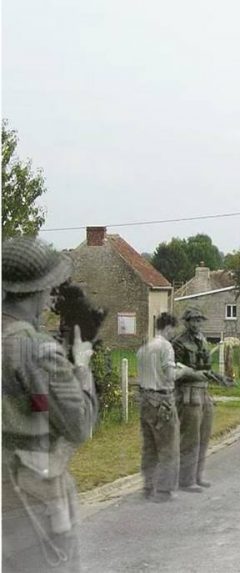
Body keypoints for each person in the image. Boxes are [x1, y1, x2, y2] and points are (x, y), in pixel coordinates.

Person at [2, 236, 97, 572]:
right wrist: (82, 364)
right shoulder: (35, 347)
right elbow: (79, 424)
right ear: (42, 290)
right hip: (32, 500)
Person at [137, 312, 192, 503]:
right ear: (168, 327)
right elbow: (169, 375)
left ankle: (148, 486)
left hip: (145, 400)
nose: (173, 334)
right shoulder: (166, 347)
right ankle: (164, 490)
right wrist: (182, 370)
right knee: (168, 446)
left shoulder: (144, 348)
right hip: (162, 400)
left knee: (149, 446)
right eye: (173, 330)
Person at [171, 307, 215, 492]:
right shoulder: (179, 343)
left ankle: (197, 475)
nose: (197, 324)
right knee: (190, 438)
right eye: (193, 321)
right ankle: (186, 480)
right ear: (186, 322)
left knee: (204, 436)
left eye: (199, 320)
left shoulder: (203, 341)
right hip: (188, 395)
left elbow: (207, 367)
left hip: (204, 393)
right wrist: (198, 374)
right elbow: (176, 373)